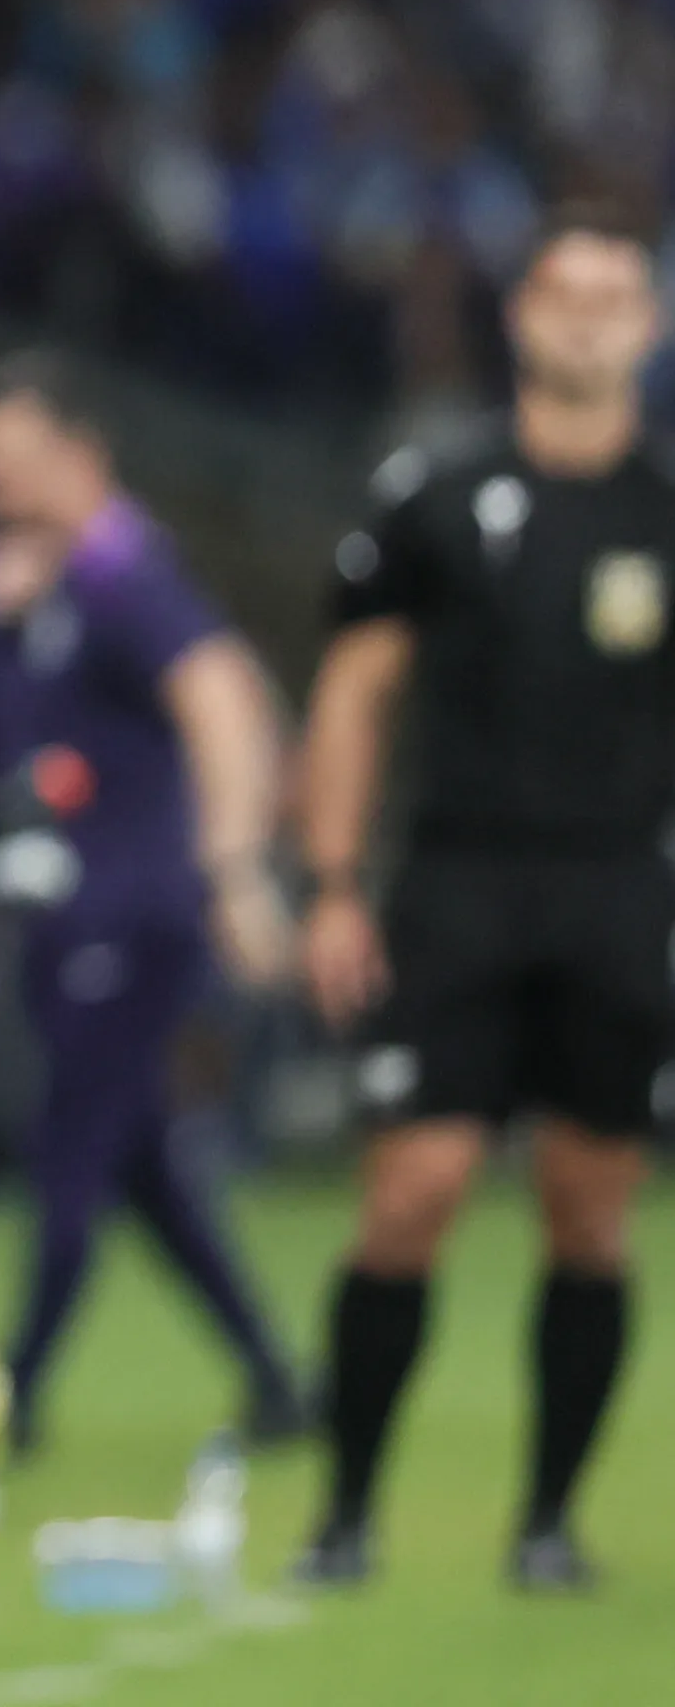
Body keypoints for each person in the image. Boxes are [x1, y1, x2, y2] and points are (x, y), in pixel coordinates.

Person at [293, 204, 675, 1593]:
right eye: (563, 295)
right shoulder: (437, 492)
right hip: (457, 876)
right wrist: (333, 880)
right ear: (524, 316)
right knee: (416, 1188)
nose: (585, 319)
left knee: (589, 1207)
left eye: (613, 299)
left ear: (649, 326)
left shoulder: (663, 505)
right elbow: (354, 692)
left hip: (618, 888)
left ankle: (549, 1524)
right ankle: (343, 1512)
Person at [0, 356, 307, 1455]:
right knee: (144, 1164)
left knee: (71, 1149)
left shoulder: (121, 571)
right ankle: (280, 1381)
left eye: (15, 463)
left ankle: (12, 1395)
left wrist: (236, 865)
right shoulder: (49, 586)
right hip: (77, 914)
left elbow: (224, 694)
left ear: (81, 453)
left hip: (132, 911)